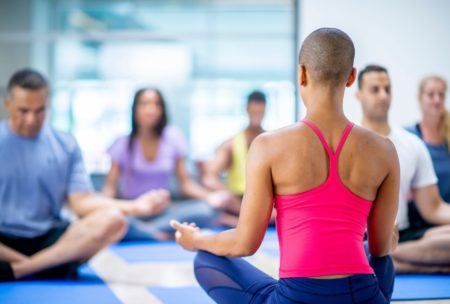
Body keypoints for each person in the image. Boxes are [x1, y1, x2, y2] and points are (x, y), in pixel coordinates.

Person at [171, 28, 399, 304]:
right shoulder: (384, 150)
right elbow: (381, 248)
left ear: (302, 74)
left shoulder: (268, 146)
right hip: (363, 297)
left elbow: (244, 243)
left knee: (205, 259)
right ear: (351, 77)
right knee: (381, 257)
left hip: (296, 299)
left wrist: (196, 240)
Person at [0, 68, 171, 281]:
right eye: (23, 111)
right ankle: (48, 266)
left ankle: (21, 269)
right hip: (4, 240)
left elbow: (82, 203)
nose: (31, 119)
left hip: (50, 239)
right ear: (8, 104)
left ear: (48, 104)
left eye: (39, 110)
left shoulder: (65, 144)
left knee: (114, 220)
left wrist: (136, 207)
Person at [102, 88, 232, 240]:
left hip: (164, 213)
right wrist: (103, 207)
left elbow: (185, 184)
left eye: (156, 104)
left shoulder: (173, 138)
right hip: (133, 212)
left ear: (162, 110)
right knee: (114, 219)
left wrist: (210, 196)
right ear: (135, 109)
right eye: (144, 104)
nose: (150, 110)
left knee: (206, 210)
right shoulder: (122, 143)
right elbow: (110, 187)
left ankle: (146, 233)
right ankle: (159, 235)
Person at [357, 65, 450, 273]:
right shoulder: (346, 142)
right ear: (358, 94)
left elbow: (433, 208)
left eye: (387, 89)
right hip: (359, 234)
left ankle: (382, 258)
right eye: (375, 90)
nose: (383, 96)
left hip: (403, 234)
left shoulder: (412, 144)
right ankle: (427, 264)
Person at [201, 90, 268, 225]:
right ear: (247, 109)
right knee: (214, 208)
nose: (256, 115)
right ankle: (243, 222)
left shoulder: (272, 142)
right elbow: (209, 176)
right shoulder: (231, 145)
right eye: (254, 111)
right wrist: (225, 193)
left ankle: (248, 223)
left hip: (264, 203)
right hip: (238, 203)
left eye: (260, 111)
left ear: (265, 110)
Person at [406, 76, 450, 202]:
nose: (437, 99)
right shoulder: (408, 137)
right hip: (417, 218)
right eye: (431, 95)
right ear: (420, 98)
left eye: (441, 95)